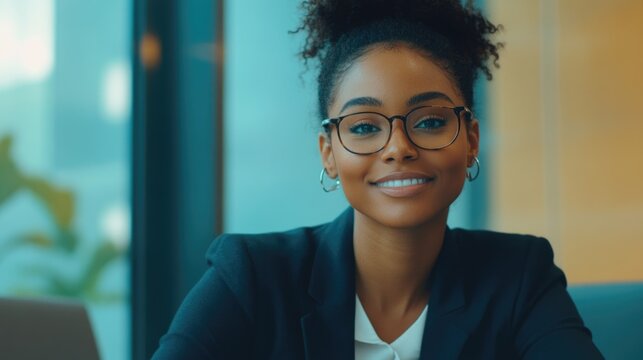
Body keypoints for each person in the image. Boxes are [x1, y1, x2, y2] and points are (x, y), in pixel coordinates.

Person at [153, 0, 604, 359]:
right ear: (329, 153)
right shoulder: (251, 277)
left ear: (470, 140)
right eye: (365, 127)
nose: (398, 147)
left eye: (429, 122)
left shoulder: (520, 277)